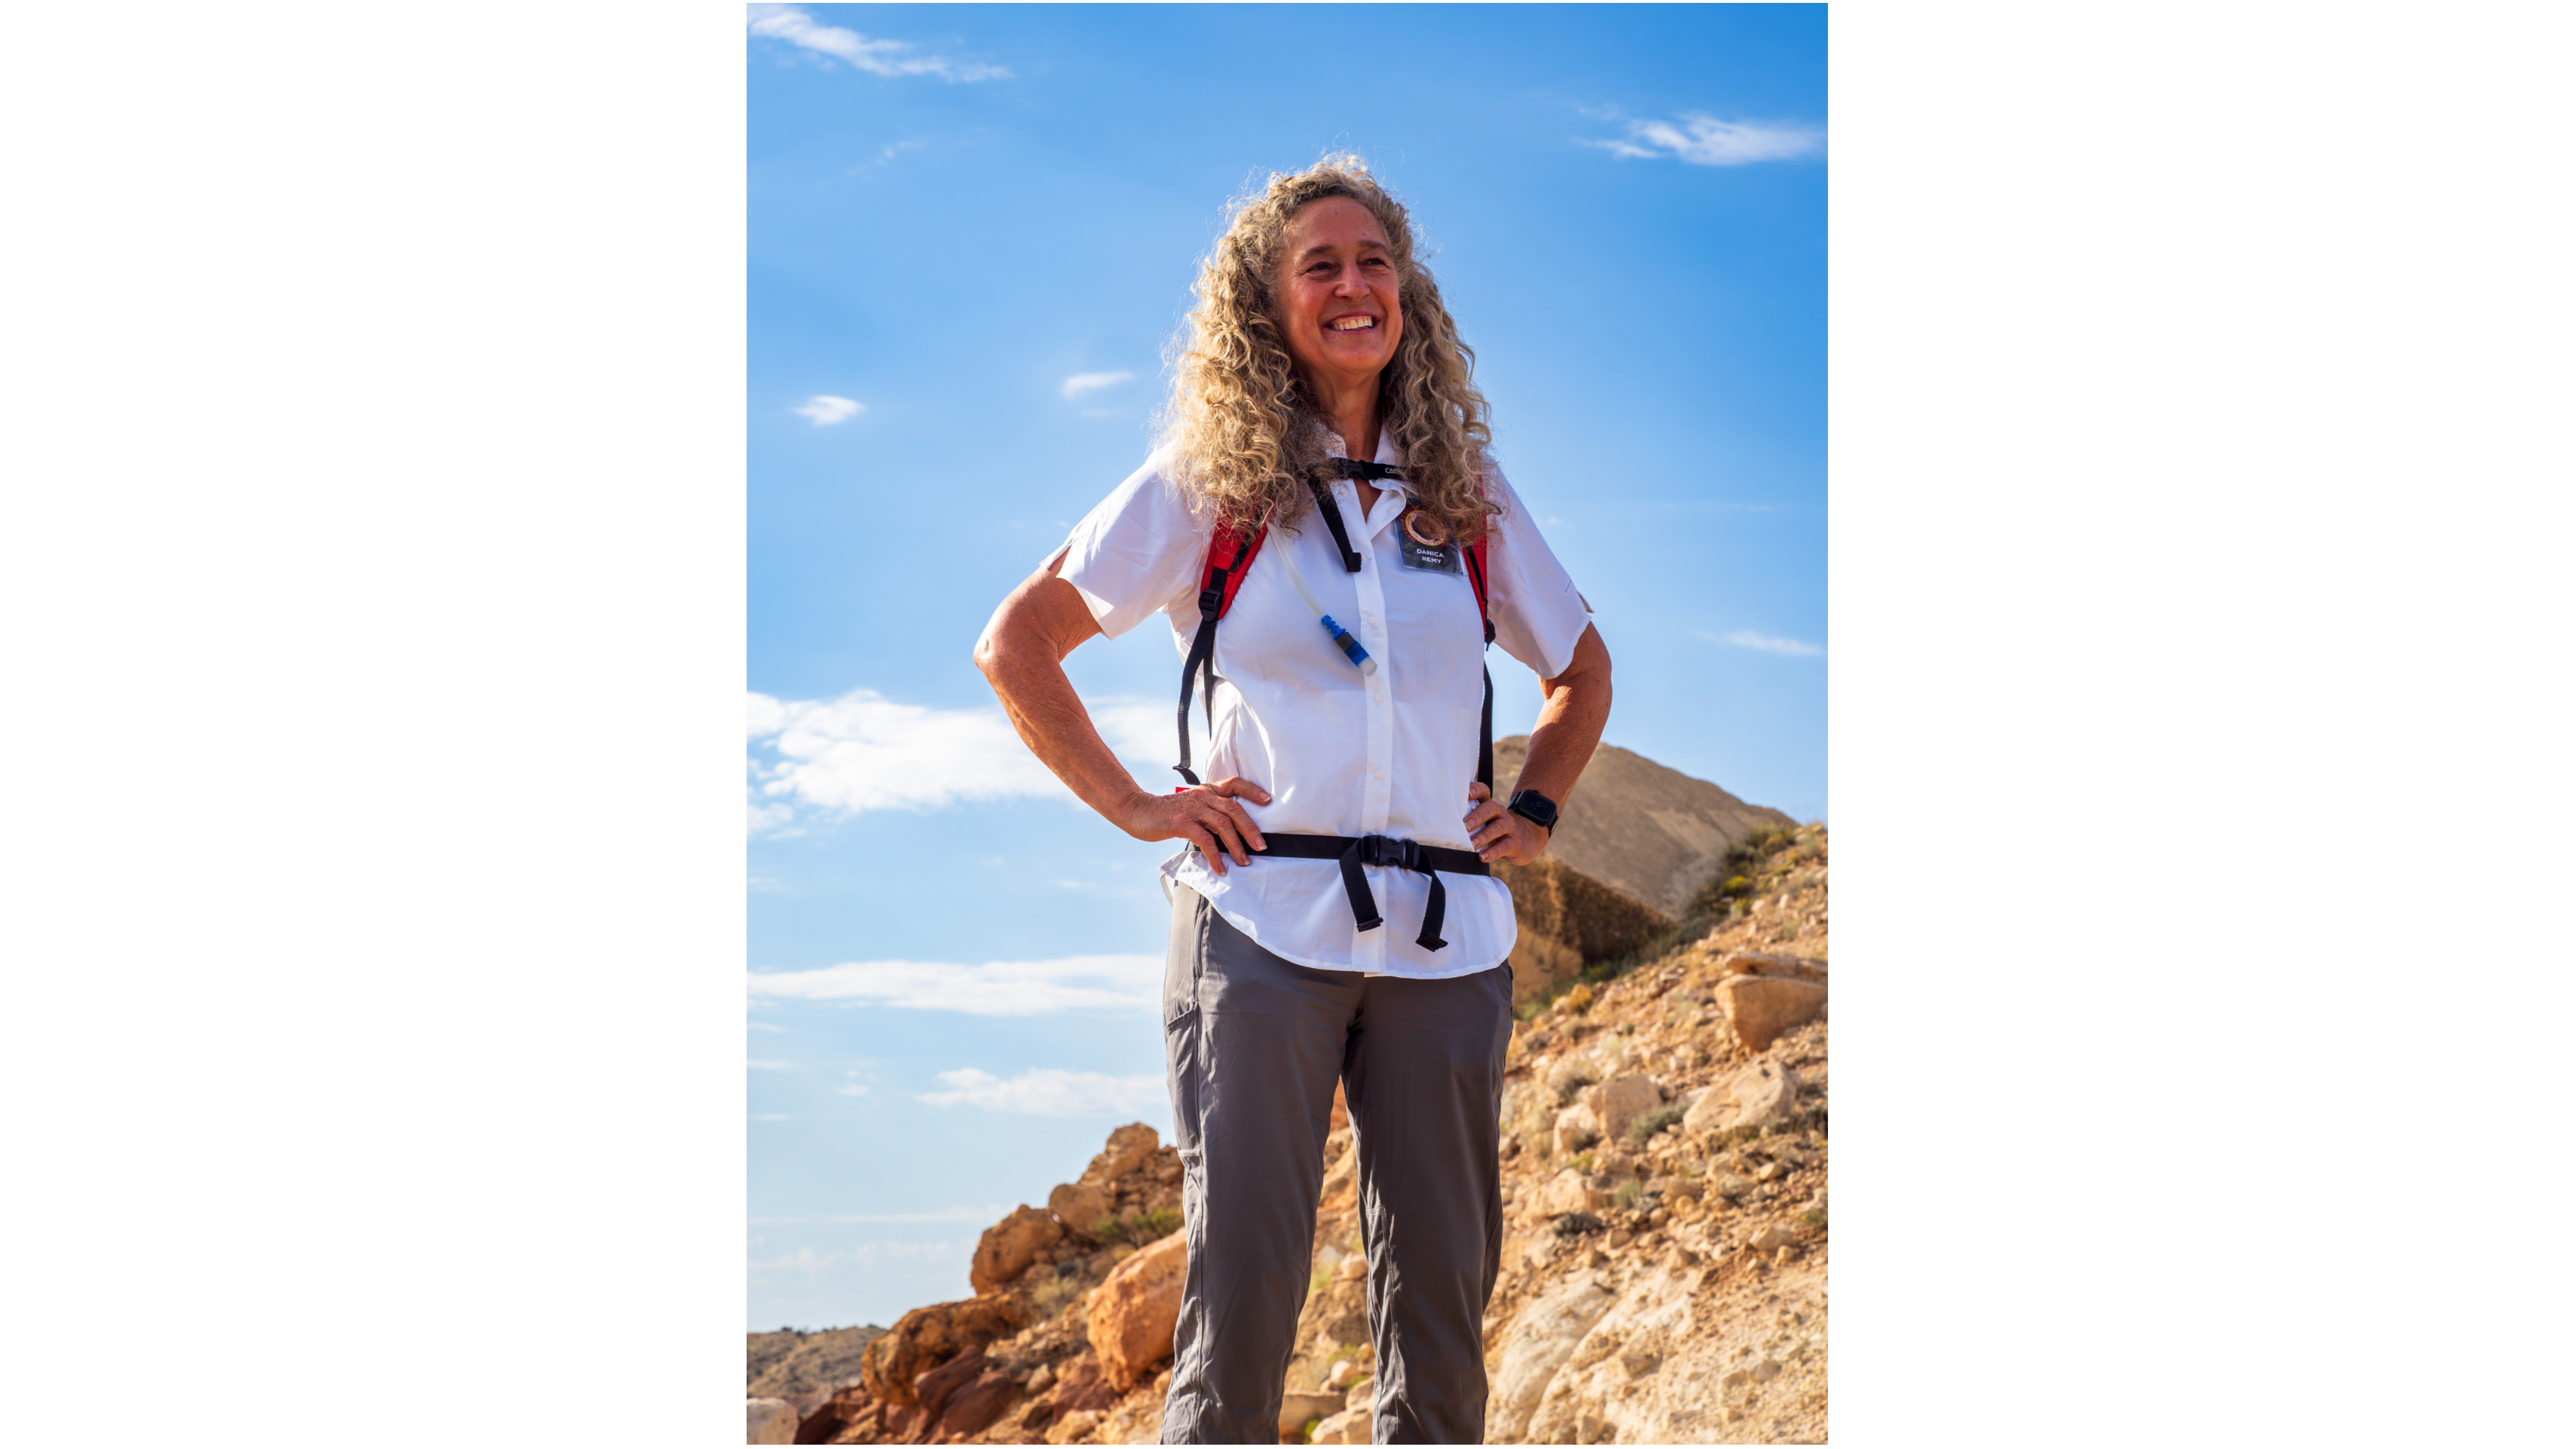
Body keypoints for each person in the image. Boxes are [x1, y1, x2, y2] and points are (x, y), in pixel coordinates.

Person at [975, 154, 1610, 1445]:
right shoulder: (1205, 483)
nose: (1354, 285)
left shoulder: (1465, 495)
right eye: (1319, 264)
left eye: (1374, 261)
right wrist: (1136, 805)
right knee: (1247, 1294)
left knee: (1440, 1297)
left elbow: (1582, 668)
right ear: (1266, 304)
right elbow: (1018, 640)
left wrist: (1533, 812)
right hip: (1259, 928)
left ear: (1408, 295)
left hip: (1447, 942)